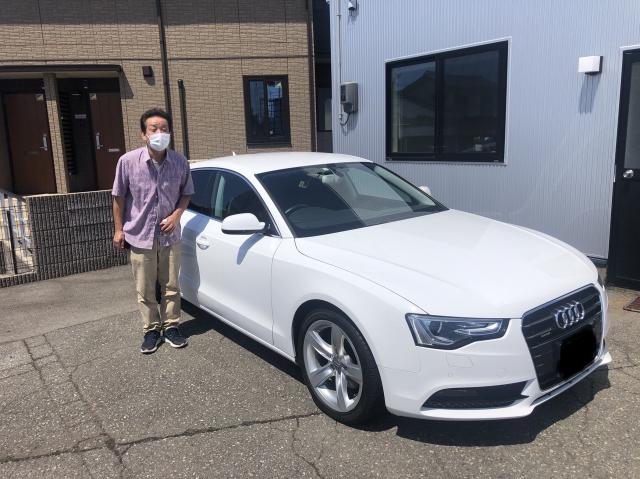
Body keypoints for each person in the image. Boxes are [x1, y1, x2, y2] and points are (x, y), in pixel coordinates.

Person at [112, 107, 194, 354]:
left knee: (171, 285)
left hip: (170, 236)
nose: (160, 133)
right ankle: (151, 330)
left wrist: (176, 216)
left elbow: (186, 194)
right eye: (154, 129)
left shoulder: (180, 162)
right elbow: (118, 197)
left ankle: (171, 327)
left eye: (164, 129)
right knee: (145, 288)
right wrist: (118, 230)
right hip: (139, 235)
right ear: (143, 134)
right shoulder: (127, 162)